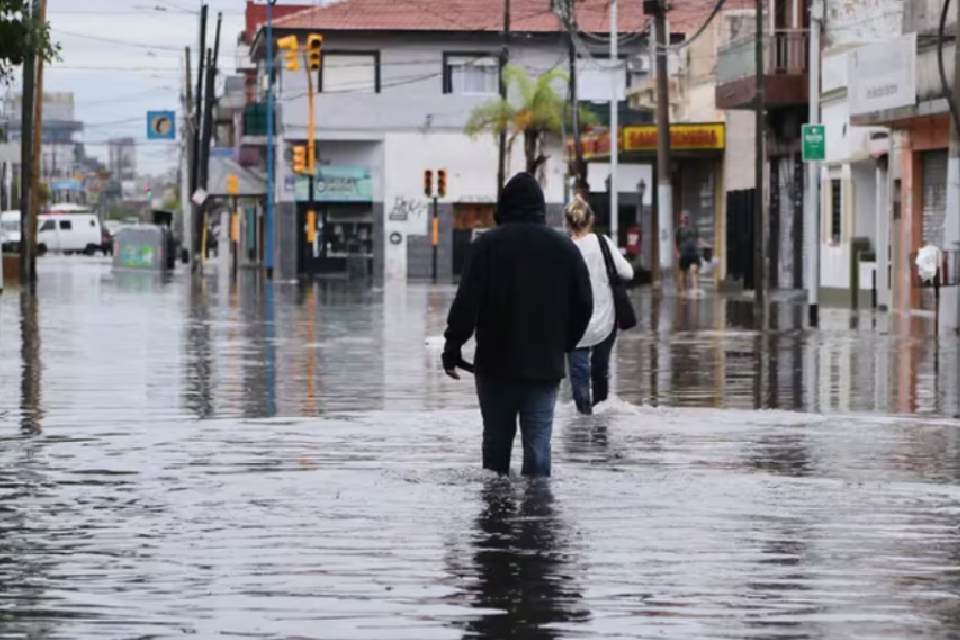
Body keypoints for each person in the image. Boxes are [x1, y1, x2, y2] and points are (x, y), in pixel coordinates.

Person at [442, 173, 594, 478]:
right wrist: (562, 344)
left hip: (495, 365)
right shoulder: (564, 248)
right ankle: (538, 506)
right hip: (544, 366)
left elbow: (466, 302)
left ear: (505, 205)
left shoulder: (487, 246)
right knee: (539, 450)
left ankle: (495, 506)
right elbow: (584, 305)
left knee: (495, 450)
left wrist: (453, 345)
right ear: (540, 207)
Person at [563, 195, 634, 415]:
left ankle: (584, 415)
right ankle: (600, 416)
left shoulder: (565, 248)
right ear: (591, 219)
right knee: (600, 369)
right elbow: (628, 272)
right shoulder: (603, 243)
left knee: (579, 372)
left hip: (575, 323)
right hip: (606, 319)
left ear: (567, 222)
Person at [675, 211, 700, 293]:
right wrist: (677, 252)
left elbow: (698, 238)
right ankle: (682, 290)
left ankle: (695, 289)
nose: (685, 219)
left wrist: (706, 245)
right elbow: (676, 242)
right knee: (683, 273)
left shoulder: (694, 228)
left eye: (686, 217)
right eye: (683, 217)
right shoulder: (679, 229)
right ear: (681, 218)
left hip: (693, 253)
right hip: (683, 253)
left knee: (694, 271)